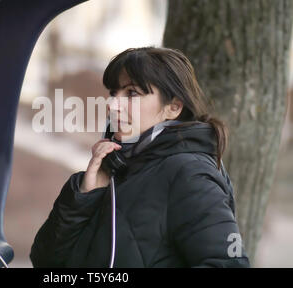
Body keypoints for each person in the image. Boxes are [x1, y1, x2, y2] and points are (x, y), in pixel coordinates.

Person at [30, 47, 251, 268]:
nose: (112, 104)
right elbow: (44, 261)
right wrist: (84, 197)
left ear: (173, 107)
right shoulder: (116, 169)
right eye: (114, 93)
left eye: (132, 93)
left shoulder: (190, 174)